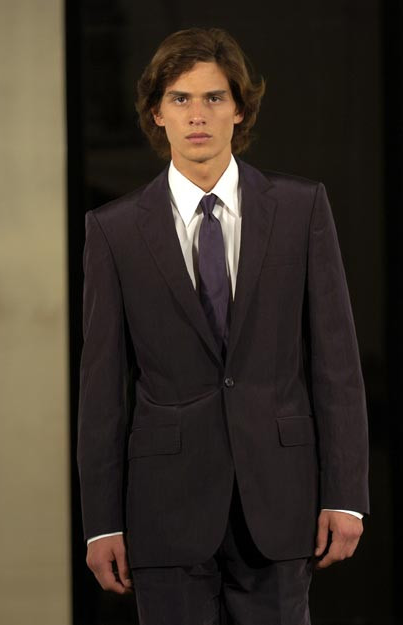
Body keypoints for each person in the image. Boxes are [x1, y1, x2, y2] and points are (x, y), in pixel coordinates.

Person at [77, 27, 369, 625]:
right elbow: (102, 389)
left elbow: (336, 364)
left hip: (280, 501)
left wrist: (346, 496)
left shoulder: (300, 209)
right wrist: (101, 523)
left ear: (239, 108)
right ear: (157, 113)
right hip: (164, 509)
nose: (197, 115)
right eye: (180, 98)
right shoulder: (114, 231)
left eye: (214, 97)